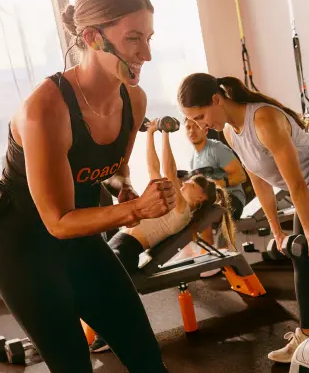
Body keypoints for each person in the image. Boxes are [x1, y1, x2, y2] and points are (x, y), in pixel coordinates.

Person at [0, 0, 262, 373]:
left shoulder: (132, 99)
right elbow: (55, 220)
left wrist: (129, 195)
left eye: (150, 37)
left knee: (142, 352)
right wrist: (132, 215)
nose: (147, 53)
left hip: (81, 236)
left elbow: (108, 174)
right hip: (24, 245)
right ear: (93, 36)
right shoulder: (43, 109)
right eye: (134, 39)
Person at [178, 74, 309, 362]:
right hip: (307, 187)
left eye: (200, 115)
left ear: (217, 99)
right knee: (300, 255)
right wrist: (276, 231)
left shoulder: (263, 120)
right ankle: (306, 335)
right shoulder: (230, 132)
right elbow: (261, 183)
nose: (201, 125)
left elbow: (297, 186)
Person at [87, 119, 236, 353]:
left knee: (98, 282)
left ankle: (109, 335)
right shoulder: (170, 201)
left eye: (192, 184)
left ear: (201, 199)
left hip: (127, 247)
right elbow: (154, 171)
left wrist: (165, 134)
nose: (185, 183)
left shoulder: (182, 211)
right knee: (89, 276)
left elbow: (168, 170)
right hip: (120, 240)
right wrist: (151, 134)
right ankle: (105, 331)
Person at [185, 117, 247, 221]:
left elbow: (241, 176)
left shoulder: (217, 149)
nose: (192, 130)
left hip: (231, 199)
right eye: (188, 127)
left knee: (199, 217)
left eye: (196, 126)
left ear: (205, 130)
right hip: (210, 201)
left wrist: (215, 184)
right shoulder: (192, 159)